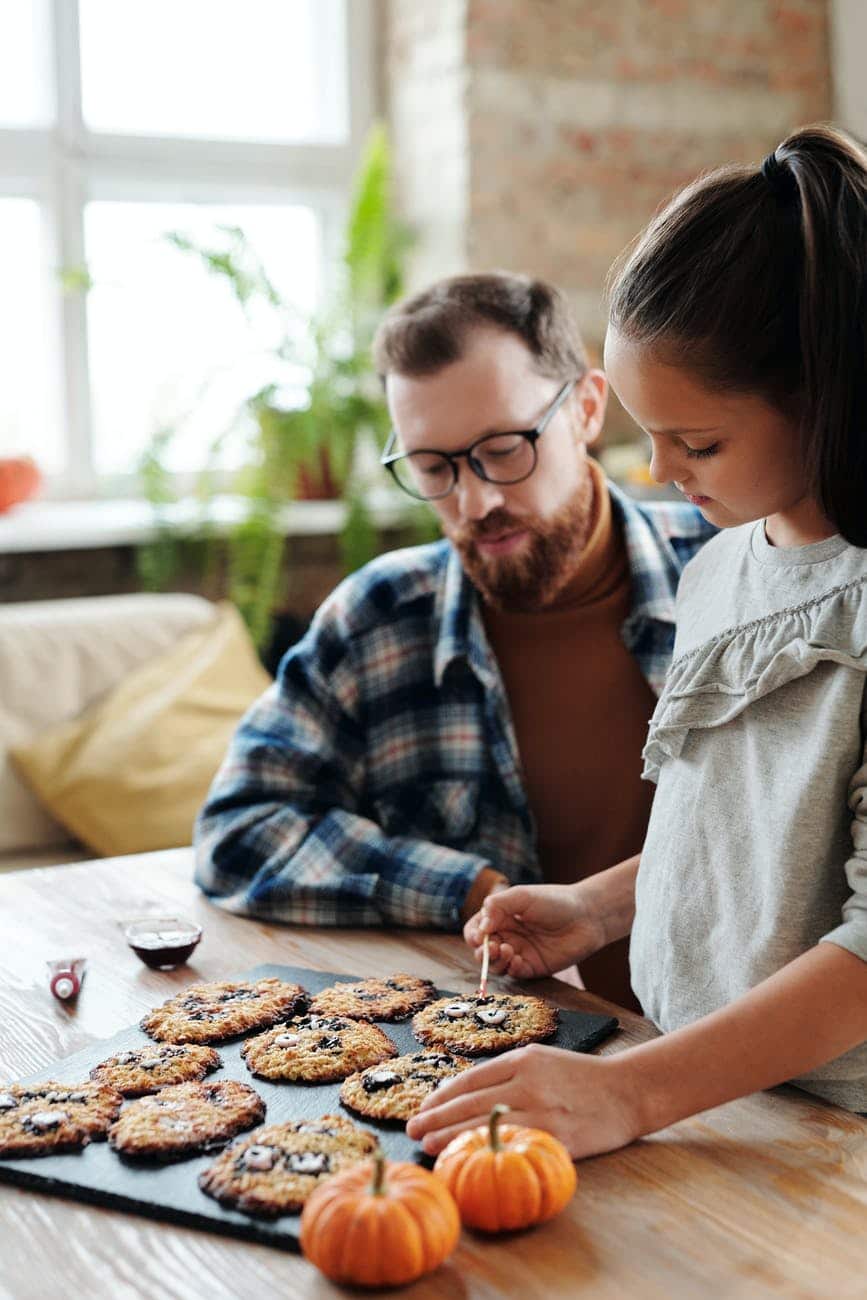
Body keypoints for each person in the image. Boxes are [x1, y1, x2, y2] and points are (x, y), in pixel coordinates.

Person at [408, 125, 867, 1160]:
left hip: (830, 1144)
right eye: (646, 434)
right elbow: (747, 828)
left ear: (827, 401)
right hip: (709, 1102)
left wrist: (623, 1097)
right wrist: (599, 906)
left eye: (697, 441)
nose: (657, 472)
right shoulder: (720, 567)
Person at [194, 271, 714, 1010]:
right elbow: (238, 829)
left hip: (742, 1063)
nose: (476, 503)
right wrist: (466, 887)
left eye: (504, 450)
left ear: (587, 408)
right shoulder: (378, 617)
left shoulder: (737, 575)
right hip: (502, 1055)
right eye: (432, 468)